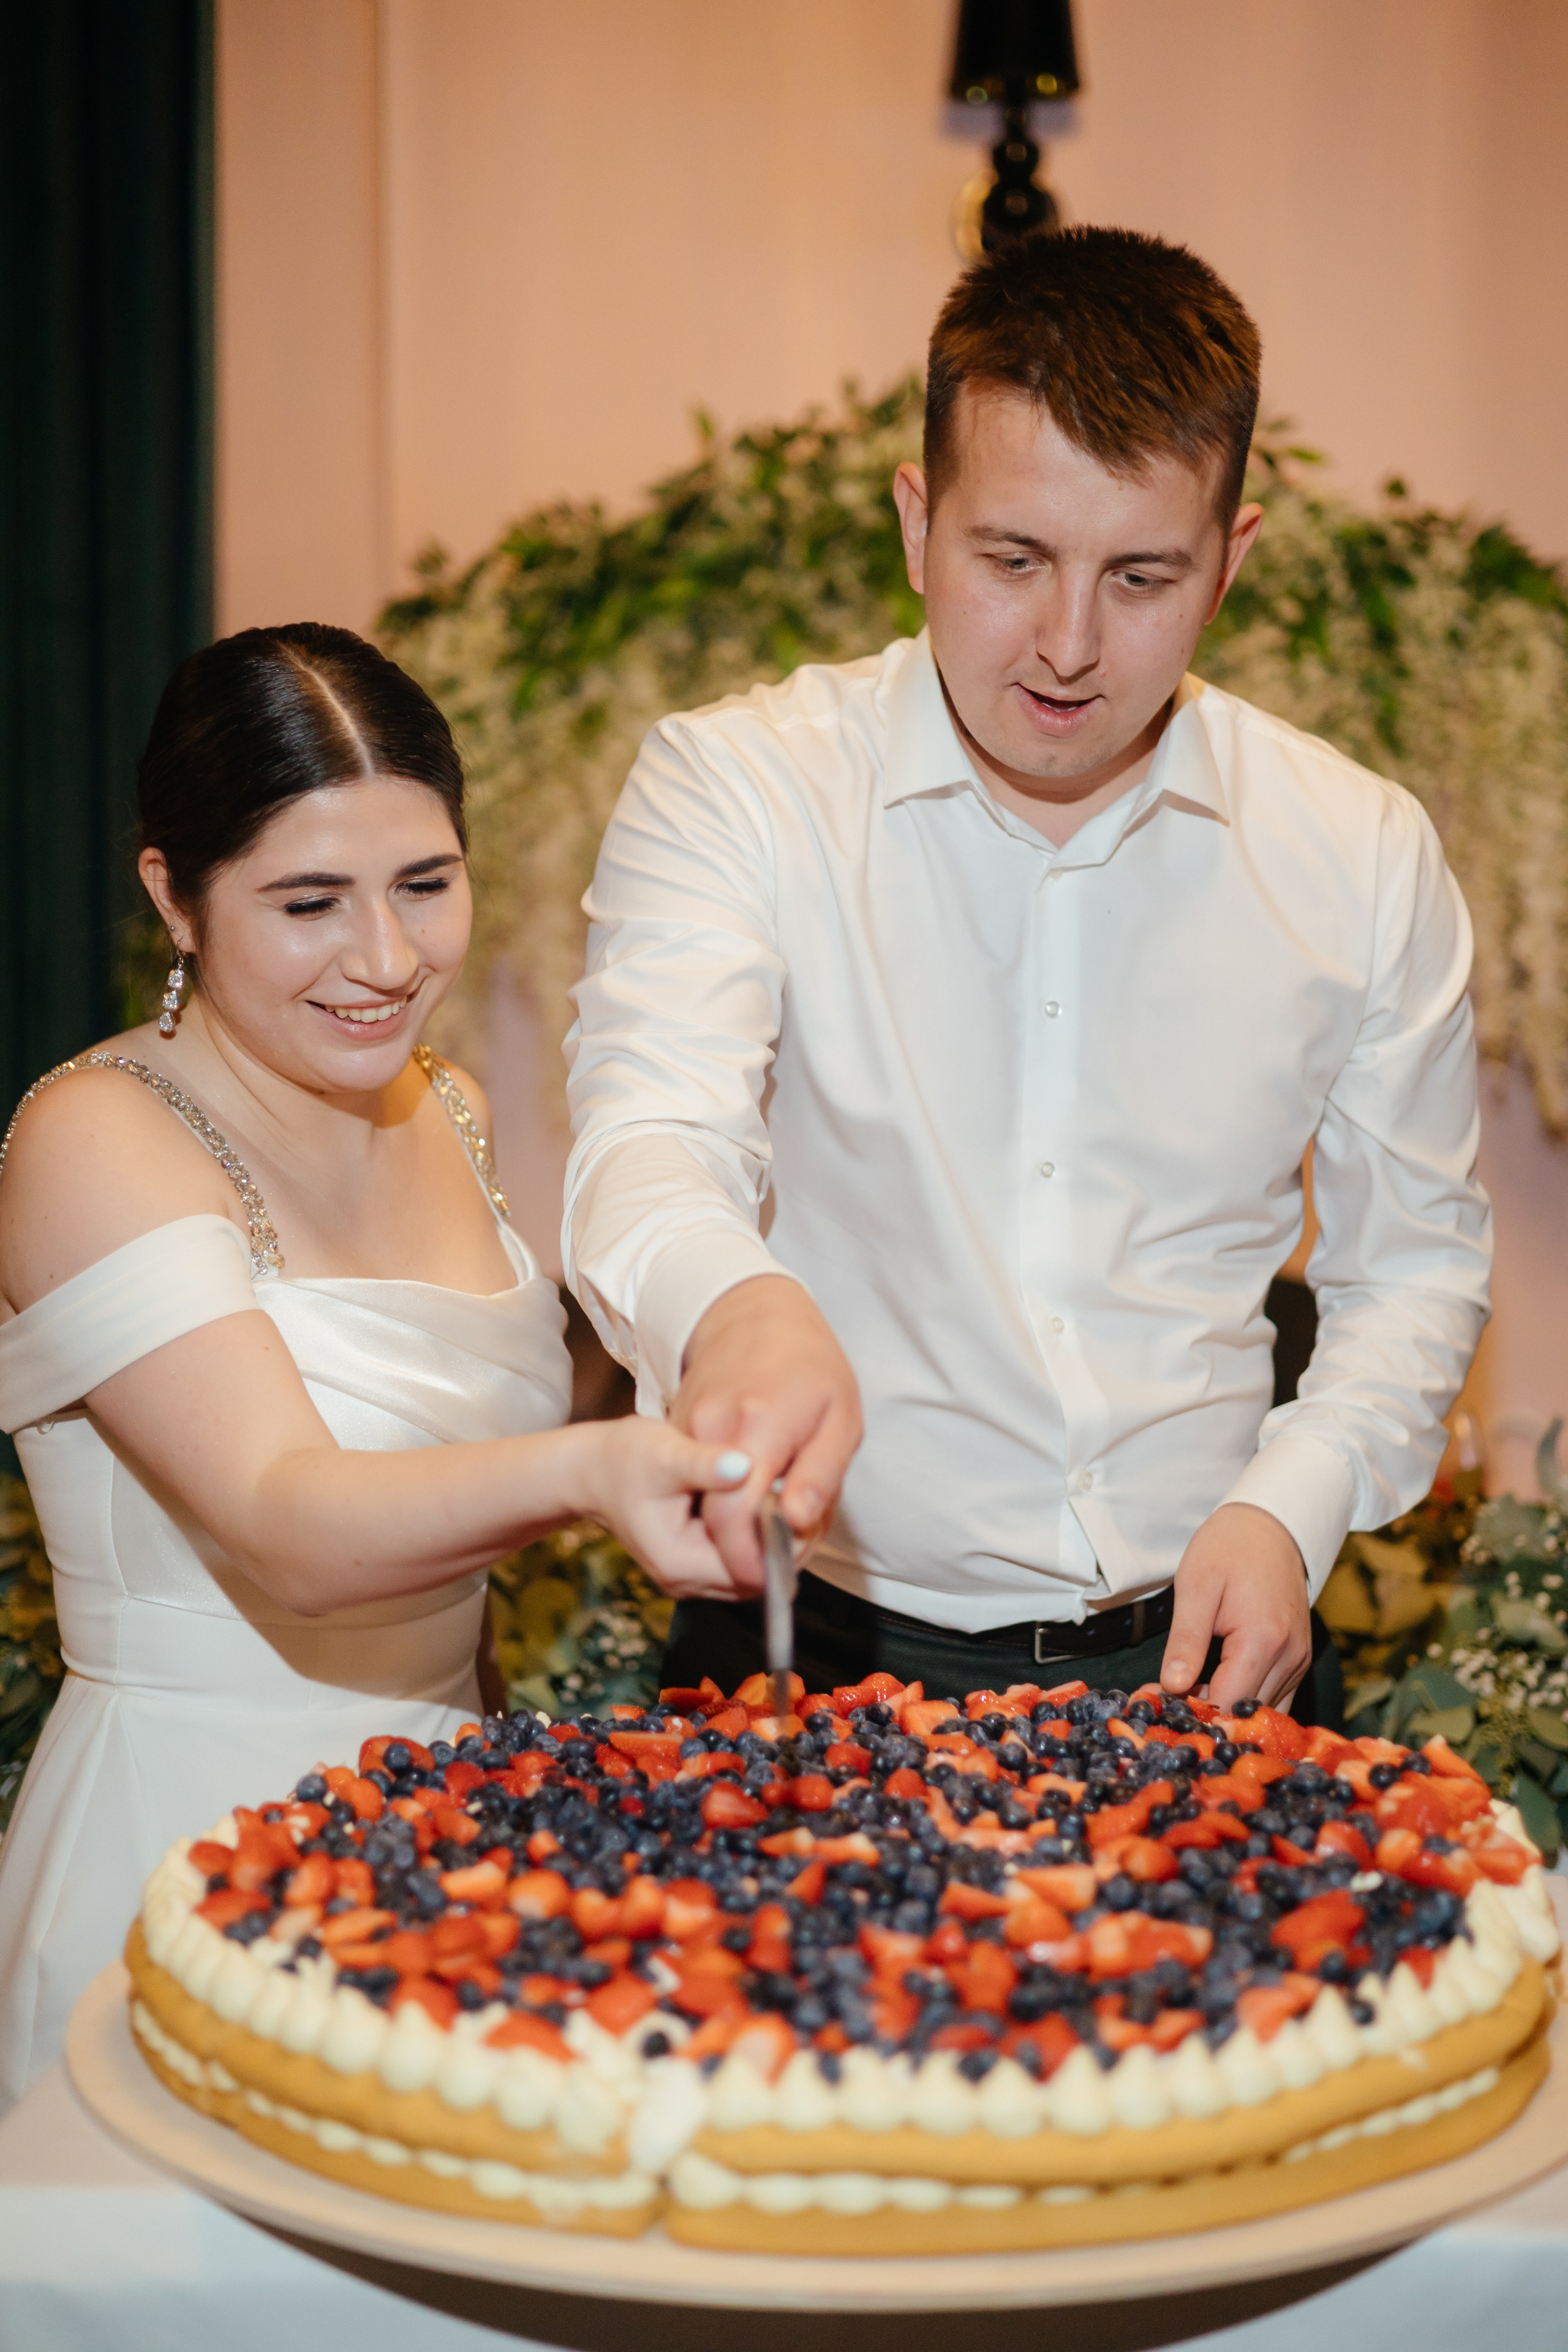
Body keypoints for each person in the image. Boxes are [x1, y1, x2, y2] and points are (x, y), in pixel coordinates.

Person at [562, 227, 1490, 1722]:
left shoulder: (1359, 851)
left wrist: (1290, 1508)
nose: (1066, 646)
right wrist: (734, 1307)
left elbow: (1414, 1271)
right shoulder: (737, 787)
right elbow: (647, 1142)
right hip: (812, 1648)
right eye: (1012, 560)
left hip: (1209, 1655)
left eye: (1139, 575)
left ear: (1230, 558)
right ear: (916, 522)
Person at [0, 624, 750, 2107]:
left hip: (442, 1839)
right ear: (176, 896)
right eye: (309, 902)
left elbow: (440, 1575)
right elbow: (290, 1527)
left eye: (426, 884)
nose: (388, 961)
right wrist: (598, 1468)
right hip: (179, 1850)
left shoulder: (452, 1108)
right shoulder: (93, 1136)